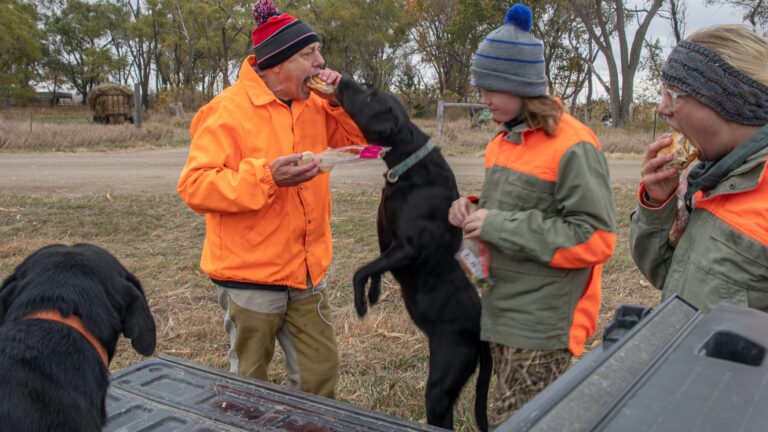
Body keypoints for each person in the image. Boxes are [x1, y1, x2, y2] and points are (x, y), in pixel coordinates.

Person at [176, 0, 366, 399]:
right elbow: (195, 185)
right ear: (276, 64)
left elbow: (359, 144)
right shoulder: (225, 111)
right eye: (308, 53)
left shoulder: (317, 103)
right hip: (250, 278)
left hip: (307, 274)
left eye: (318, 51)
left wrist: (339, 100)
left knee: (320, 375)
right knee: (249, 384)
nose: (321, 61)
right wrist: (266, 177)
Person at [447, 4, 617, 427]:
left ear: (523, 86)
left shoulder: (574, 144)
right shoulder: (502, 142)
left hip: (543, 325)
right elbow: (520, 205)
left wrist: (497, 224)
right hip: (502, 308)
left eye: (491, 89)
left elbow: (596, 238)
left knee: (522, 423)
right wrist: (471, 209)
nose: (483, 99)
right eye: (479, 88)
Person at [630, 25, 768, 313]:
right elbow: (670, 276)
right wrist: (658, 204)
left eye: (673, 94)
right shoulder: (704, 178)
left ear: (727, 99)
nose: (662, 108)